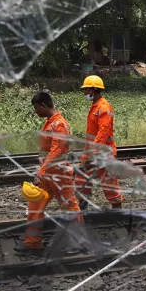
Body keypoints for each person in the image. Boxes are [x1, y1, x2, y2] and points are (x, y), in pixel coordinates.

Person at [16, 92, 84, 255]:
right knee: (35, 206)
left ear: (43, 105)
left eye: (36, 108)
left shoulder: (59, 124)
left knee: (70, 208)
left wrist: (41, 172)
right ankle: (33, 244)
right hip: (47, 175)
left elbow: (56, 151)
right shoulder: (50, 123)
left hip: (59, 175)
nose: (35, 111)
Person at [73, 75, 123, 211]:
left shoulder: (104, 108)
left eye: (86, 90)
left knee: (109, 183)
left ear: (93, 90)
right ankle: (82, 210)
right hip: (92, 151)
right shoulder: (95, 106)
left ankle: (117, 209)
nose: (84, 92)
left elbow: (102, 135)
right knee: (81, 178)